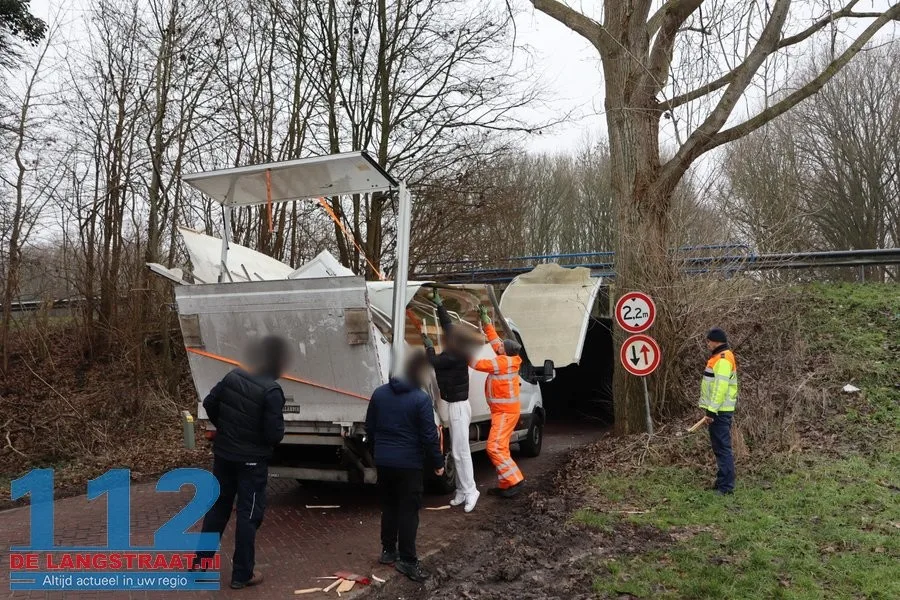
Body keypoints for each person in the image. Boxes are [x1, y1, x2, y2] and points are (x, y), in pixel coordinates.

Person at [196, 336, 289, 589]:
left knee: (218, 509)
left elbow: (209, 403)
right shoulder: (271, 390)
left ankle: (200, 564)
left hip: (224, 455)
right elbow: (274, 434)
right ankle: (242, 574)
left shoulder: (232, 377)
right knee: (248, 515)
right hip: (251, 462)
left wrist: (224, 428)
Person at [365, 350, 445, 583]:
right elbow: (429, 436)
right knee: (408, 511)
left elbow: (370, 427)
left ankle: (388, 551)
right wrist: (438, 463)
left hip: (384, 461)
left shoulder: (379, 394)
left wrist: (376, 453)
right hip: (409, 463)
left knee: (389, 506)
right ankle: (408, 560)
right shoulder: (420, 399)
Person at [421, 288, 479, 513]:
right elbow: (447, 324)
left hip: (458, 406)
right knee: (456, 451)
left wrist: (428, 347)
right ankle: (463, 490)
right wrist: (440, 305)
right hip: (456, 404)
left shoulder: (453, 355)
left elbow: (434, 362)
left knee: (461, 451)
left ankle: (471, 490)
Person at [469, 305, 525, 498]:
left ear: (505, 352)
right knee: (502, 448)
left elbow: (477, 364)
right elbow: (495, 342)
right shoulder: (509, 358)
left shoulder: (502, 363)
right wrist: (486, 323)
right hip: (504, 411)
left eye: (501, 347)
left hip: (505, 412)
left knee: (494, 447)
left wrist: (462, 351)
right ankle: (505, 484)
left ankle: (515, 480)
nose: (498, 346)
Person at [698, 327, 739, 495]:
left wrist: (711, 411)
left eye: (708, 341)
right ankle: (722, 480)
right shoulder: (719, 357)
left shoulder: (722, 359)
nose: (707, 344)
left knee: (722, 448)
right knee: (719, 447)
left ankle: (726, 487)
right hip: (718, 410)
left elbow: (720, 388)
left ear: (716, 341)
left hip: (720, 411)